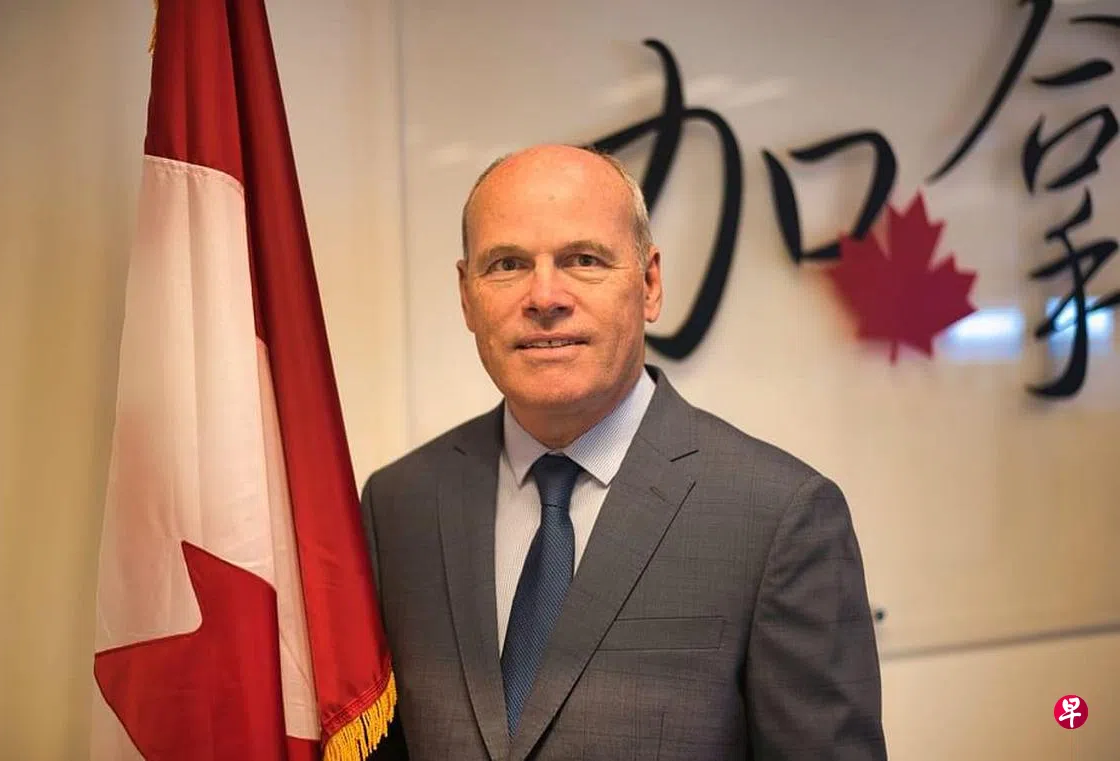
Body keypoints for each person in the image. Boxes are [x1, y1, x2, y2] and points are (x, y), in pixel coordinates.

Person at [360, 144, 887, 760]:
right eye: (507, 264)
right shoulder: (398, 506)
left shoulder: (779, 517)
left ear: (649, 283)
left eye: (584, 259)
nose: (545, 296)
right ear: (466, 295)